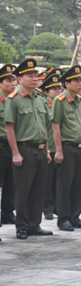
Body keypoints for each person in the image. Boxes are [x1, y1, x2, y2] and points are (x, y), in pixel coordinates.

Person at [5, 58, 54, 239]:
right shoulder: (14, 99)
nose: (34, 79)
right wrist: (15, 153)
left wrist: (47, 150)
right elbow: (10, 128)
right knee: (23, 189)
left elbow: (45, 127)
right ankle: (22, 226)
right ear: (19, 79)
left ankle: (35, 224)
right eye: (29, 76)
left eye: (35, 76)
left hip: (41, 149)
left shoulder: (40, 98)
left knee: (39, 189)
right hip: (24, 149)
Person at [51, 65, 81, 231]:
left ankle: (75, 216)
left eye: (80, 80)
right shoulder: (59, 101)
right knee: (65, 184)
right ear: (66, 84)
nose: (80, 83)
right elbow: (56, 127)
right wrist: (59, 150)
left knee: (79, 184)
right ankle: (64, 218)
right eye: (75, 81)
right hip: (67, 147)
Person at [40, 74, 61, 221]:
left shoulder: (61, 104)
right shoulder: (43, 105)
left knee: (58, 180)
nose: (57, 91)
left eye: (59, 88)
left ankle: (56, 206)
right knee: (47, 180)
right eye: (53, 89)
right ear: (46, 92)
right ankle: (47, 208)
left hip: (60, 147)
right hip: (48, 147)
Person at [0, 64, 16, 228]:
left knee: (12, 182)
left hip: (13, 145)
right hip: (0, 144)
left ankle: (7, 213)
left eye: (13, 80)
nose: (12, 83)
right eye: (8, 80)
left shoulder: (14, 101)